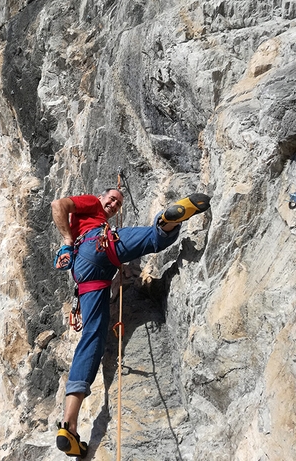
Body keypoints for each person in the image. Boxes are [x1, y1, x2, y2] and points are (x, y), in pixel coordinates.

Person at [51, 189, 211, 458]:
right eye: (111, 199)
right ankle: (167, 221)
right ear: (100, 198)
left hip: (87, 274)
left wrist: (72, 243)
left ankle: (69, 426)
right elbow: (59, 203)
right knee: (153, 238)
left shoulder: (99, 216)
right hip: (100, 243)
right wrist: (67, 238)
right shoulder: (91, 203)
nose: (113, 204)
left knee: (92, 338)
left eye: (118, 203)